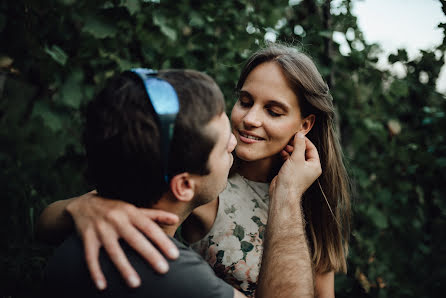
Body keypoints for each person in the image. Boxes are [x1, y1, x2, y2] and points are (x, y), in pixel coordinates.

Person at [38, 43, 350, 297]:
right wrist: (87, 206)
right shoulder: (206, 184)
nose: (251, 119)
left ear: (305, 124)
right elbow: (52, 220)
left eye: (273, 110)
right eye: (245, 101)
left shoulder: (314, 198)